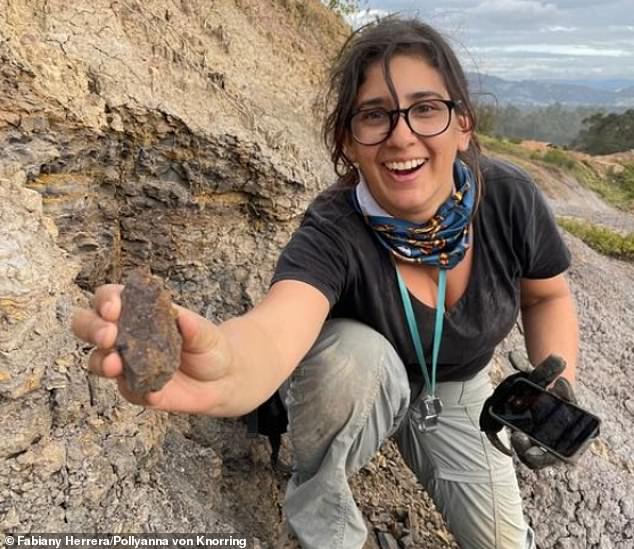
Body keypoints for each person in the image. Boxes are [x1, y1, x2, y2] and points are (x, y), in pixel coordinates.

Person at [72, 16, 579, 549]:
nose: (401, 134)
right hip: (353, 384)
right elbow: (273, 332)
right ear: (348, 140)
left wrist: (555, 384)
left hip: (455, 390)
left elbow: (547, 294)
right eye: (375, 116)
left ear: (463, 124)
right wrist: (225, 368)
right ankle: (322, 524)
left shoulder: (509, 197)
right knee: (353, 355)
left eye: (426, 109)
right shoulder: (334, 230)